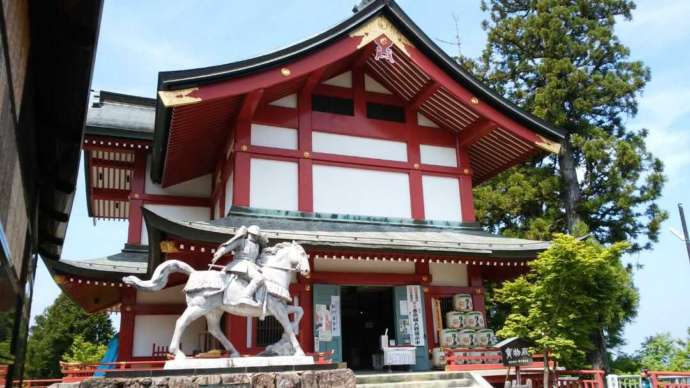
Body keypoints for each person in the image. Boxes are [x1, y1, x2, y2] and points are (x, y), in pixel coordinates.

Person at [211, 225, 269, 307]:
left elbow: (257, 259)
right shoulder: (241, 241)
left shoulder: (257, 246)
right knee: (259, 278)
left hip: (252, 266)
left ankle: (258, 300)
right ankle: (245, 296)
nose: (254, 237)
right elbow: (228, 247)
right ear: (248, 233)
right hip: (240, 264)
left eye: (256, 236)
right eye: (252, 235)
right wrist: (219, 253)